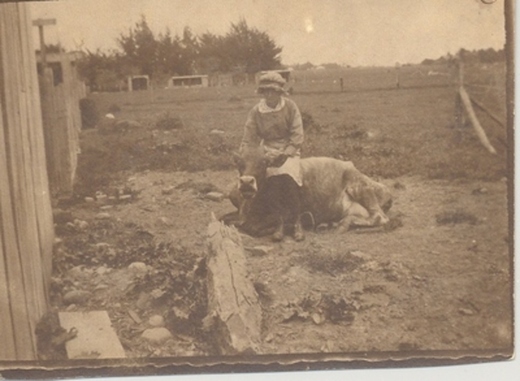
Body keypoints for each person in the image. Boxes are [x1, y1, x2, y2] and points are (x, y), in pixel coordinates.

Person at [239, 71, 305, 242]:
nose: (269, 95)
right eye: (266, 91)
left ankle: (297, 222)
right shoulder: (256, 111)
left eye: (273, 91)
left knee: (289, 175)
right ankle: (279, 222)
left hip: (287, 149)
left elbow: (297, 135)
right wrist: (250, 153)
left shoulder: (290, 107)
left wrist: (285, 153)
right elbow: (249, 137)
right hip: (266, 149)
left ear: (279, 92)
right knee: (269, 179)